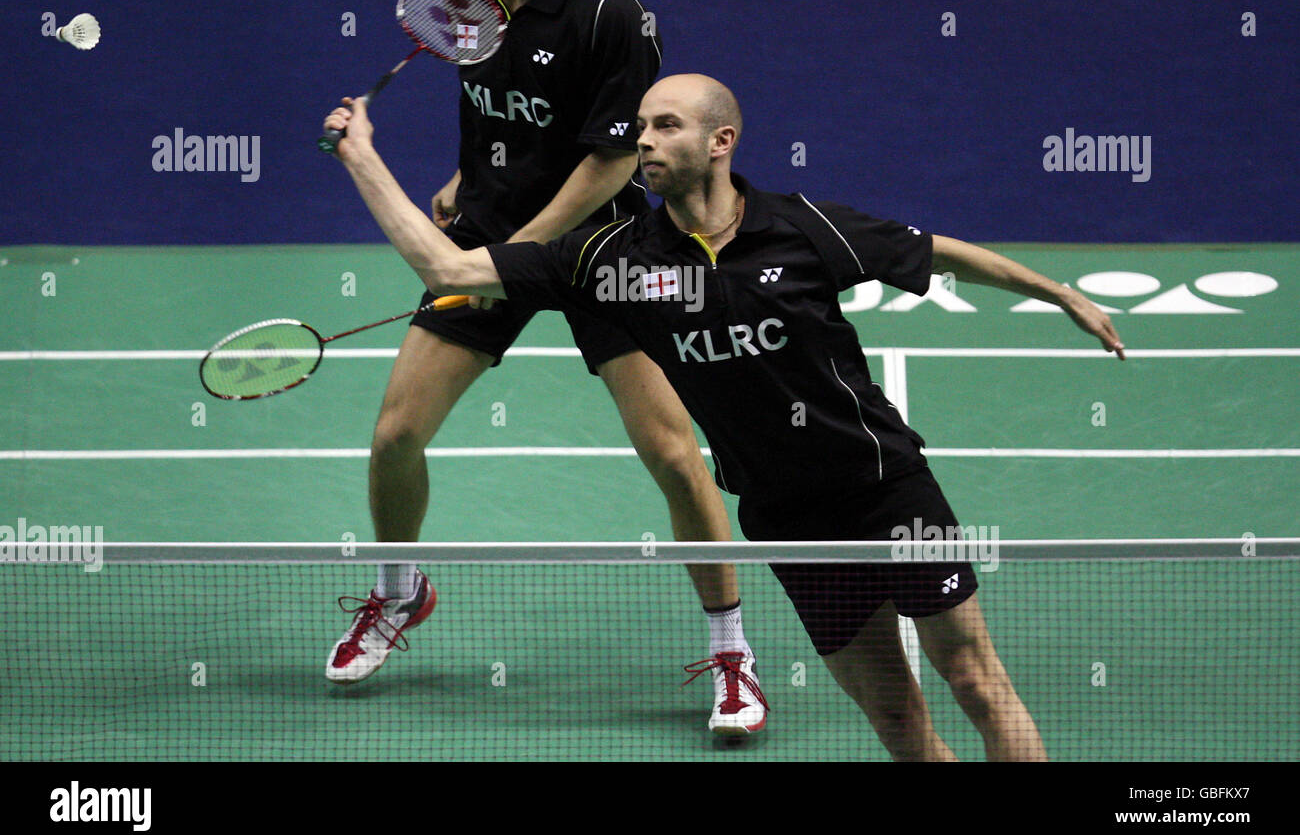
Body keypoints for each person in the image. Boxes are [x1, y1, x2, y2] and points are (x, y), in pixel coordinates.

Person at [323, 72, 1128, 760]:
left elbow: (938, 252)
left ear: (721, 140)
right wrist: (359, 155)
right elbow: (446, 265)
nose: (643, 140)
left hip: (885, 491)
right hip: (784, 520)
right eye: (639, 127)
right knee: (896, 718)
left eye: (665, 125)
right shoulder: (615, 262)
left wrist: (1058, 293)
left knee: (975, 682)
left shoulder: (802, 227)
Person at [325, 0, 767, 736]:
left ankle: (732, 654)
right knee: (396, 434)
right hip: (492, 230)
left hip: (602, 250)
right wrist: (465, 182)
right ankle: (398, 592)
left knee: (675, 458)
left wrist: (513, 259)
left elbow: (612, 163)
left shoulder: (610, 16)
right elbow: (488, 106)